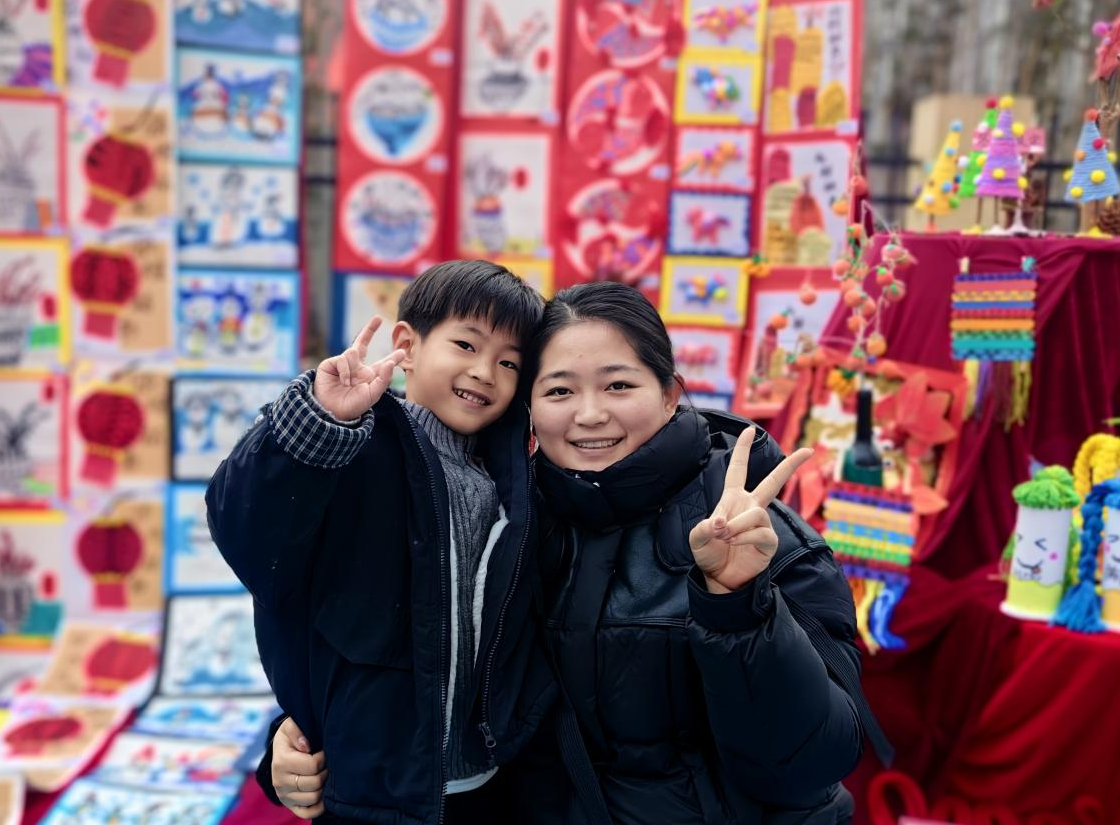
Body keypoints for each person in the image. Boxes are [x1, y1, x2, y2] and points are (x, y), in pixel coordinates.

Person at [273, 281, 881, 822]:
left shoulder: (758, 537)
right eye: (560, 389)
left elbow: (813, 762)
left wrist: (739, 606)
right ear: (529, 407)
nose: (590, 415)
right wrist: (300, 730)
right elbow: (416, 650)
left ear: (670, 393)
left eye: (619, 385)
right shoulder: (508, 524)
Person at [207, 260, 556, 823]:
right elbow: (251, 535)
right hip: (369, 785)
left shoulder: (511, 480)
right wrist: (317, 422)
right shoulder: (350, 447)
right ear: (407, 346)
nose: (485, 372)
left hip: (487, 783)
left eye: (509, 362)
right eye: (466, 345)